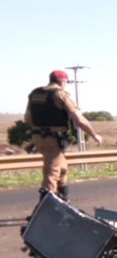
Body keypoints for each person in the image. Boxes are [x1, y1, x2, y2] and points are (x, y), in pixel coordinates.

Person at [24, 70, 103, 200]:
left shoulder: (35, 94)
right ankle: (45, 208)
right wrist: (94, 135)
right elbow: (79, 119)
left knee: (62, 168)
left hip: (38, 137)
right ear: (63, 81)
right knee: (52, 173)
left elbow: (27, 118)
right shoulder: (60, 95)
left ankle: (63, 199)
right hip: (53, 139)